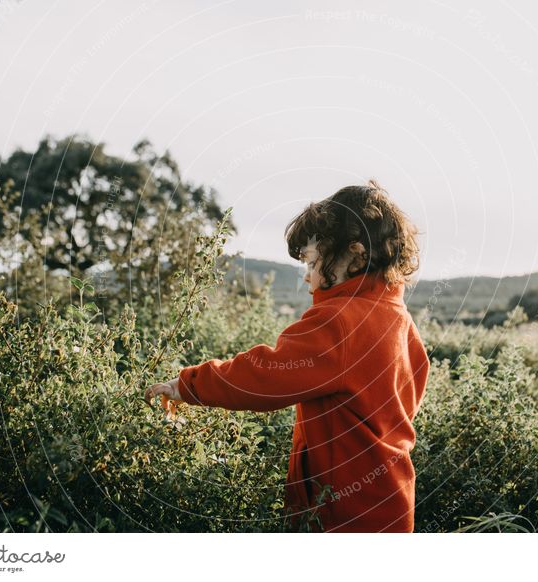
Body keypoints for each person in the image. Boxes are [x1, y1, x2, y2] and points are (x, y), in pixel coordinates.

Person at [145, 179, 430, 532]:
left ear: (354, 257)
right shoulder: (400, 320)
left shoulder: (340, 322)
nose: (307, 278)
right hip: (391, 503)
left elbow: (265, 376)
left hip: (340, 515)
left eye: (312, 262)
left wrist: (188, 386)